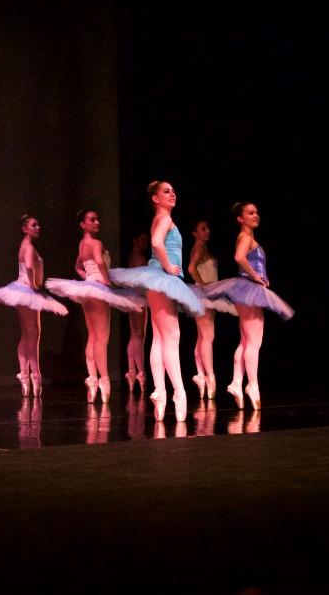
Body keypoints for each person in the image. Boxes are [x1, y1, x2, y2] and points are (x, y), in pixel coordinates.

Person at [109, 181, 203, 422]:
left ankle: (160, 391)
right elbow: (156, 244)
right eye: (166, 191)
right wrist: (168, 266)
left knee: (160, 337)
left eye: (173, 190)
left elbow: (157, 243)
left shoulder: (160, 219)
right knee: (172, 337)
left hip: (156, 279)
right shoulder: (164, 220)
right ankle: (178, 393)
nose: (172, 193)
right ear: (155, 198)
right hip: (162, 277)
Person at [47, 210, 144, 403]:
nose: (97, 222)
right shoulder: (96, 243)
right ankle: (104, 381)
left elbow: (79, 267)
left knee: (92, 335)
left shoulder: (82, 244)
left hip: (89, 289)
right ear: (83, 224)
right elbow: (99, 262)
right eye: (92, 219)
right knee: (102, 337)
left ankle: (92, 379)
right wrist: (108, 283)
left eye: (98, 219)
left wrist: (89, 279)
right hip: (97, 289)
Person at [204, 202, 294, 410]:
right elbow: (239, 257)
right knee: (253, 341)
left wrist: (262, 277)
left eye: (256, 212)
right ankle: (252, 386)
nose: (256, 215)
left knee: (246, 341)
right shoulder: (245, 237)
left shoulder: (250, 237)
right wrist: (255, 276)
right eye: (250, 213)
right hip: (248, 287)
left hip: (249, 288)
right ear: (240, 219)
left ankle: (237, 382)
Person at [0, 215, 68, 397]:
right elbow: (30, 266)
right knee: (33, 333)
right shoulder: (28, 247)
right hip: (26, 289)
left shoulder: (25, 245)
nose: (37, 227)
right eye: (33, 225)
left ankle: (25, 375)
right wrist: (33, 285)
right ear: (24, 228)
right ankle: (35, 375)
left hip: (22, 289)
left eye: (38, 224)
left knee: (28, 334)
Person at [186, 219, 237, 399]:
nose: (207, 231)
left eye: (208, 228)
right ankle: (210, 377)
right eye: (203, 229)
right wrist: (204, 286)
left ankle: (201, 374)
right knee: (207, 336)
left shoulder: (202, 248)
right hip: (204, 294)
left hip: (207, 294)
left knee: (202, 336)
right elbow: (191, 268)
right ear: (195, 233)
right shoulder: (199, 248)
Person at [124, 233, 150, 393]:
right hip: (138, 298)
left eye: (146, 240)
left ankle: (132, 370)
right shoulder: (140, 259)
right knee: (140, 335)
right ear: (135, 240)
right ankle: (140, 372)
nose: (145, 243)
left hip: (131, 297)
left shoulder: (131, 258)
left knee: (134, 335)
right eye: (142, 239)